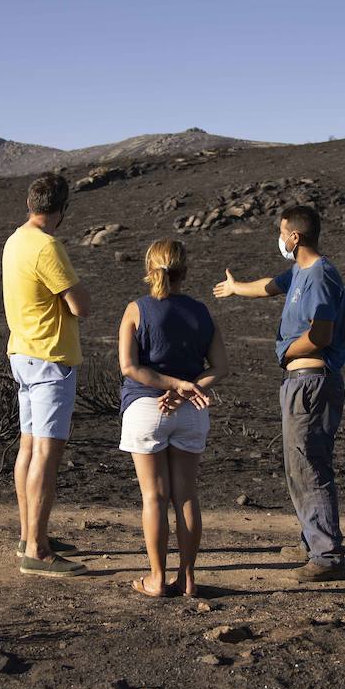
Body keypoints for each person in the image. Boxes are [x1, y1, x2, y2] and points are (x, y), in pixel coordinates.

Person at [213, 205, 345, 582]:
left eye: (282, 231)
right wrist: (236, 288)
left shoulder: (320, 276)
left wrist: (285, 351)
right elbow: (270, 286)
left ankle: (326, 556)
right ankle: (313, 542)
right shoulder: (300, 273)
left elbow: (321, 333)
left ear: (295, 237)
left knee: (310, 467)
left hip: (310, 383)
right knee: (299, 467)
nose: (280, 237)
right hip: (302, 383)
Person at [118, 239, 229, 597]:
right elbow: (221, 367)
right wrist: (185, 388)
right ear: (185, 269)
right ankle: (188, 577)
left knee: (154, 497)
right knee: (186, 495)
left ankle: (155, 578)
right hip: (190, 411)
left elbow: (130, 367)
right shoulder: (201, 312)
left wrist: (171, 384)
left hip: (146, 409)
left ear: (149, 268)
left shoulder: (136, 309)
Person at [2, 173, 93, 578]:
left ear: (30, 202)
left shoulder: (15, 239)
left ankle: (29, 534)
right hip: (50, 356)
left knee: (28, 447)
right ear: (62, 209)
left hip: (23, 351)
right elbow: (80, 306)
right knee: (46, 454)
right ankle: (37, 550)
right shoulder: (47, 246)